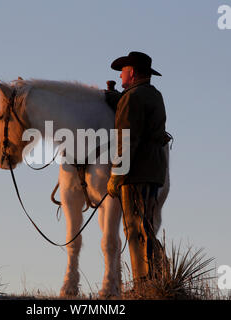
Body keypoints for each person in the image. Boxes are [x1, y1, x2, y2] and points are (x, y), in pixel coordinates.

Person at [107, 51, 171, 286]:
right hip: (153, 170)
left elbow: (128, 138)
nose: (121, 74)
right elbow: (138, 113)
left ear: (132, 73)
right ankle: (158, 276)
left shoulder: (133, 98)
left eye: (123, 70)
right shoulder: (152, 94)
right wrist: (118, 100)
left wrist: (117, 174)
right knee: (145, 225)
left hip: (136, 173)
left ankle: (144, 282)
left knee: (136, 228)